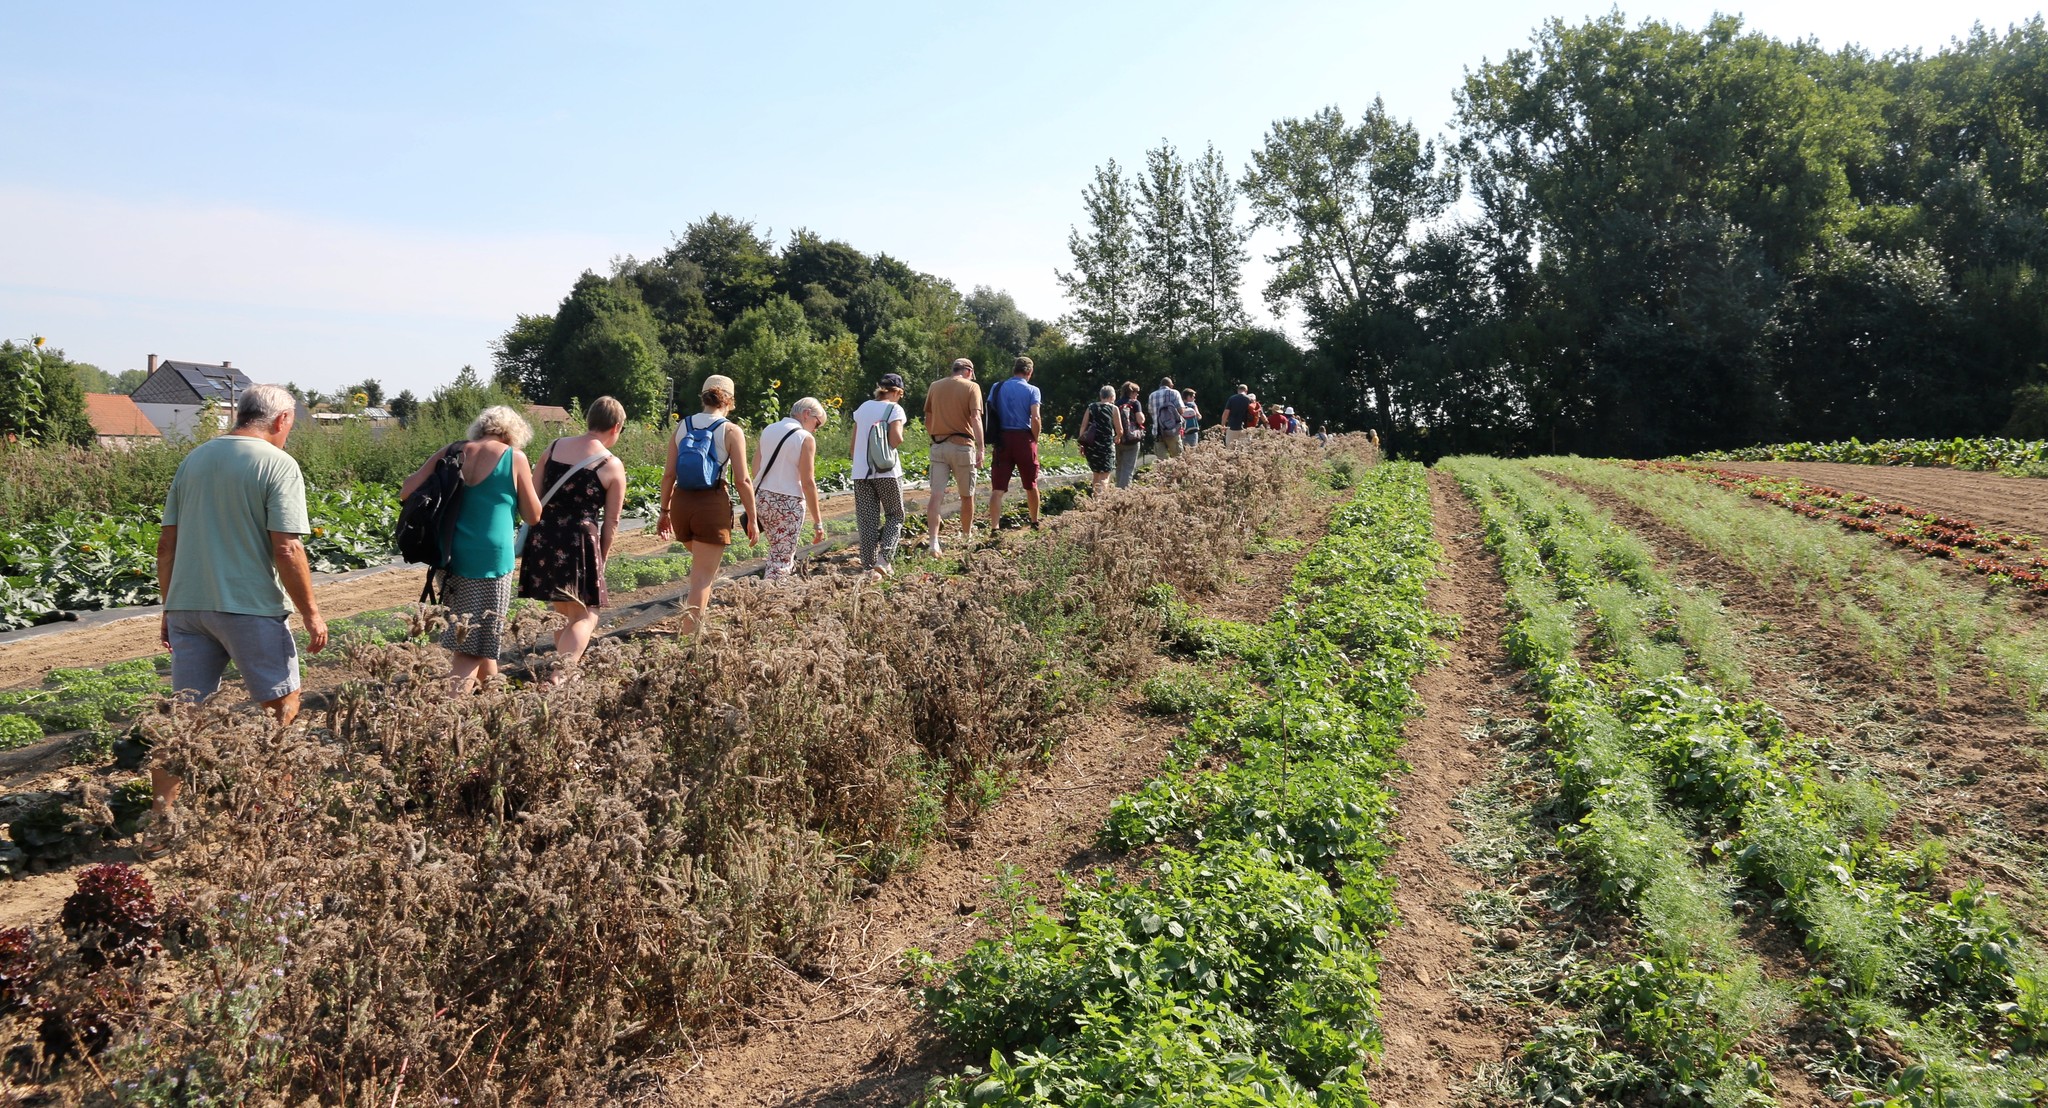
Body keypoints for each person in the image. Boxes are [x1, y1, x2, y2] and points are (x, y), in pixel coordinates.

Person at [147, 383, 328, 857]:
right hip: (248, 607)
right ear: (281, 420)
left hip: (189, 606)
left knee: (185, 720)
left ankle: (162, 823)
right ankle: (275, 816)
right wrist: (310, 612)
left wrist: (170, 608)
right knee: (281, 710)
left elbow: (167, 544)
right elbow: (287, 547)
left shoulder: (195, 459)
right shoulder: (276, 463)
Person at [401, 405, 542, 695]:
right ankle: (451, 714)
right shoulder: (514, 457)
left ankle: (493, 699)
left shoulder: (452, 451)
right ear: (513, 434)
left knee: (480, 635)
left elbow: (407, 491)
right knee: (472, 645)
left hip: (448, 555)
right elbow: (532, 515)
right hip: (490, 560)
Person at [517, 395, 628, 683]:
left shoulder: (553, 448)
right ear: (616, 427)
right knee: (586, 615)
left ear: (589, 420)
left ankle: (568, 671)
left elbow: (533, 496)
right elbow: (612, 522)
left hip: (545, 537)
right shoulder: (610, 464)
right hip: (579, 542)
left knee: (562, 611)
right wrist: (600, 558)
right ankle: (560, 675)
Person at [656, 374, 759, 634]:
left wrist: (664, 511)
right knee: (702, 578)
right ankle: (690, 640)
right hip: (711, 505)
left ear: (703, 397)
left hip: (681, 503)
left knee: (702, 570)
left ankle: (697, 623)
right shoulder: (731, 430)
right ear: (730, 401)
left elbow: (668, 474)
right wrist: (753, 517)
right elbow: (743, 480)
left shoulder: (682, 426)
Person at [754, 396, 829, 582]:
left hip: (762, 499)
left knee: (776, 551)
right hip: (788, 503)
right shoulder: (805, 438)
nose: (816, 429)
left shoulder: (769, 430)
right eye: (817, 423)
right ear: (806, 414)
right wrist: (818, 522)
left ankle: (770, 592)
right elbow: (808, 482)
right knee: (781, 560)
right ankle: (771, 599)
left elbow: (756, 468)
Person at [922, 357, 983, 555]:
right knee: (967, 495)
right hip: (962, 447)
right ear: (968, 371)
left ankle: (933, 542)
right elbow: (975, 418)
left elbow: (928, 418)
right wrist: (981, 447)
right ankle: (966, 537)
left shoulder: (935, 386)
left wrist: (935, 437)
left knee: (936, 496)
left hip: (938, 446)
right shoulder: (972, 387)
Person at [850, 373, 908, 577]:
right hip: (887, 472)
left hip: (861, 473)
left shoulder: (863, 408)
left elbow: (853, 444)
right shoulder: (894, 409)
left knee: (867, 520)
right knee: (895, 514)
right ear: (897, 392)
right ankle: (884, 560)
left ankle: (868, 566)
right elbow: (897, 438)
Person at [987, 357, 1044, 529]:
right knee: (1031, 484)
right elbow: (1035, 417)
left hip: (1002, 439)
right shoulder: (1033, 390)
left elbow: (990, 410)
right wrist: (1035, 438)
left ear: (1014, 370)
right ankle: (1034, 521)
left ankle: (994, 527)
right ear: (1030, 372)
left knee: (998, 488)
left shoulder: (997, 387)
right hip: (1024, 439)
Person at [1077, 385, 1122, 496]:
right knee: (1105, 476)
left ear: (1101, 396)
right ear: (1112, 397)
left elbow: (1083, 427)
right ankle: (1100, 502)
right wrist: (1117, 437)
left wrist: (1082, 444)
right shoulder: (1113, 409)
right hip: (1106, 446)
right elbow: (1120, 429)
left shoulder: (1091, 407)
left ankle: (1095, 500)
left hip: (1092, 446)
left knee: (1096, 474)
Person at [1114, 381, 1146, 489]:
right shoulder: (1135, 403)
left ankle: (1117, 492)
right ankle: (1124, 495)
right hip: (1132, 440)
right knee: (1128, 469)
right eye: (1136, 392)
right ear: (1131, 392)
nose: (1137, 395)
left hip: (1119, 439)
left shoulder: (1116, 404)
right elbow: (1140, 420)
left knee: (1119, 467)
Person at [1147, 376, 1185, 459]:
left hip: (1157, 432)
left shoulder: (1152, 395)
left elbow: (1151, 412)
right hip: (1172, 430)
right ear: (1171, 385)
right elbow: (1181, 410)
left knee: (1162, 462)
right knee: (1178, 459)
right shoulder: (1174, 393)